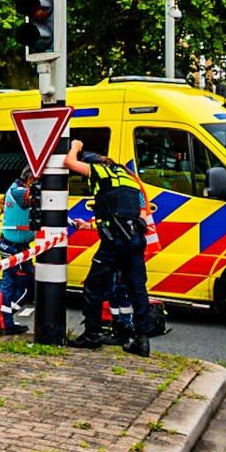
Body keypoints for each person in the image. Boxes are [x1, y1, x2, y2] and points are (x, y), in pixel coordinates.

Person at [64, 138, 152, 356]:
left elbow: (69, 163)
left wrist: (76, 146)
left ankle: (91, 335)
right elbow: (136, 214)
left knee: (94, 286)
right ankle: (141, 340)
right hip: (135, 241)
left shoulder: (101, 171)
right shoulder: (131, 181)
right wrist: (91, 225)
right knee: (137, 289)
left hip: (114, 243)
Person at [0, 168, 37, 336]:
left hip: (19, 246)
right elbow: (29, 199)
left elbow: (1, 201)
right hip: (11, 246)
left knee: (18, 283)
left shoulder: (13, 187)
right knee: (16, 283)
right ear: (31, 178)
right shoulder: (18, 191)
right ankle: (4, 318)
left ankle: (2, 314)